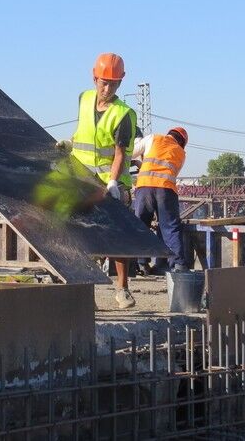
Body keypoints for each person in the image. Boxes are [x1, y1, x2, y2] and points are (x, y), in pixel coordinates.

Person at [68, 53, 138, 309]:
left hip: (112, 181)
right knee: (83, 234)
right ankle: (86, 292)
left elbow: (121, 153)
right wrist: (70, 142)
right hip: (83, 178)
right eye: (103, 82)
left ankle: (122, 288)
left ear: (121, 82)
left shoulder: (124, 114)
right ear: (94, 77)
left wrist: (113, 182)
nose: (107, 89)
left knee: (116, 233)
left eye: (113, 84)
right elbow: (84, 132)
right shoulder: (84, 99)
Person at [132, 127, 188, 273]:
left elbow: (131, 152)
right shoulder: (181, 153)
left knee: (141, 225)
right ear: (182, 142)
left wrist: (141, 162)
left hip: (144, 187)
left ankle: (142, 264)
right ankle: (178, 265)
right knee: (170, 227)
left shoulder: (153, 138)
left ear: (170, 134)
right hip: (166, 190)